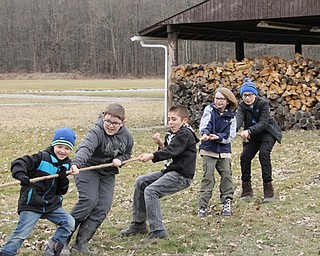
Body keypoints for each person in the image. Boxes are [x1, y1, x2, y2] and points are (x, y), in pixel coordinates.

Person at [119, 105, 199, 243]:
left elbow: (172, 151)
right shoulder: (172, 133)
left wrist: (151, 155)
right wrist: (160, 144)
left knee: (151, 191)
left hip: (181, 176)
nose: (171, 122)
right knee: (141, 182)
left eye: (174, 119)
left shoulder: (185, 133)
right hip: (170, 171)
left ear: (184, 121)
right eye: (169, 119)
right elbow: (170, 151)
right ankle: (139, 224)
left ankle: (158, 231)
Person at [67, 103, 133, 254]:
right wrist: (76, 164)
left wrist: (121, 159)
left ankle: (81, 243)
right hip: (87, 170)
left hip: (107, 173)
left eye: (115, 123)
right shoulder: (96, 132)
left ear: (123, 123)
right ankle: (62, 240)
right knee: (88, 201)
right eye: (108, 121)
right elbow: (86, 148)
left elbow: (128, 153)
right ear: (103, 116)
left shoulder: (127, 136)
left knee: (103, 206)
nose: (110, 126)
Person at [0, 128, 77, 256]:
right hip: (33, 202)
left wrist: (63, 180)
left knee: (69, 223)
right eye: (59, 146)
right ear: (53, 145)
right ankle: (7, 252)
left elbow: (62, 191)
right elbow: (19, 163)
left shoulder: (67, 165)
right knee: (21, 233)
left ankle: (52, 250)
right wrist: (21, 176)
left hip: (51, 205)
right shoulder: (41, 158)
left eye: (67, 148)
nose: (63, 151)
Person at [236, 78, 282, 203]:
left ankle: (268, 189)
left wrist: (248, 131)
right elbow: (238, 119)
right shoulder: (241, 106)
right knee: (244, 157)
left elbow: (263, 123)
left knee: (264, 154)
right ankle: (246, 189)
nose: (247, 98)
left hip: (268, 133)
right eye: (244, 95)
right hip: (253, 137)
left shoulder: (263, 104)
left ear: (254, 95)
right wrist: (231, 130)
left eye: (249, 95)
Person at [197, 88, 238, 218]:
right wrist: (205, 134)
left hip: (224, 151)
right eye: (217, 98)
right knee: (208, 177)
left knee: (226, 175)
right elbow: (205, 124)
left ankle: (226, 202)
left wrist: (219, 137)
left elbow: (230, 136)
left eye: (221, 99)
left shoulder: (231, 117)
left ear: (227, 101)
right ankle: (202, 206)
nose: (218, 102)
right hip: (208, 149)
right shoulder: (209, 110)